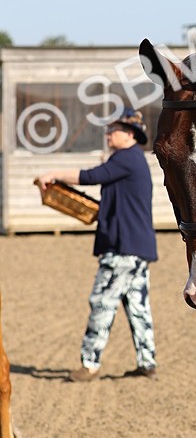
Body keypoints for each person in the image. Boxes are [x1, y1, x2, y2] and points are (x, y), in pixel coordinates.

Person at [39, 108, 158, 381]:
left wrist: (53, 174)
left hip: (121, 248)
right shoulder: (133, 159)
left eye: (113, 129)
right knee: (138, 307)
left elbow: (91, 176)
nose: (108, 134)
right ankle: (147, 362)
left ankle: (90, 364)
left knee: (102, 302)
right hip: (137, 248)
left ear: (130, 134)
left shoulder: (126, 158)